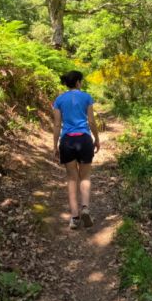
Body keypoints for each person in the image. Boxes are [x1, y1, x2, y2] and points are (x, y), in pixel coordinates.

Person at [52, 70, 100, 229]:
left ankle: (74, 217)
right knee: (85, 176)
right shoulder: (86, 97)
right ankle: (85, 207)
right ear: (78, 82)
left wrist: (55, 146)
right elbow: (91, 122)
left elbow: (57, 125)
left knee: (72, 178)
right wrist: (97, 140)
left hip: (67, 141)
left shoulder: (59, 100)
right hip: (84, 139)